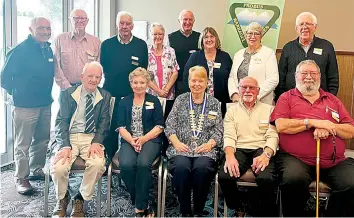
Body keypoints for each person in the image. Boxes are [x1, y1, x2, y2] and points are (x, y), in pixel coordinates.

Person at [270, 60, 354, 216]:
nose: (309, 77)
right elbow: (281, 125)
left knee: (352, 182)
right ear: (296, 76)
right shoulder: (286, 98)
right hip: (296, 159)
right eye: (304, 73)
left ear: (320, 77)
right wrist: (312, 123)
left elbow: (350, 130)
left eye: (313, 73)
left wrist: (329, 127)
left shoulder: (332, 100)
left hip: (333, 160)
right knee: (293, 179)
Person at [50, 61, 111, 217]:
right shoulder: (68, 94)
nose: (93, 80)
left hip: (91, 138)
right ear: (82, 76)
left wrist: (96, 142)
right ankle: (63, 198)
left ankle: (80, 198)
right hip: (69, 136)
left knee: (98, 164)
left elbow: (105, 122)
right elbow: (61, 121)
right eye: (90, 76)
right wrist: (64, 145)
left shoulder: (104, 96)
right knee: (59, 167)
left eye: (97, 77)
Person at [1, 17, 54, 194]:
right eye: (41, 28)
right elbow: (4, 78)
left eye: (48, 28)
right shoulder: (19, 50)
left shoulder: (47, 49)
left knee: (42, 139)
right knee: (23, 143)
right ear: (31, 29)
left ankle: (37, 169)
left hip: (45, 103)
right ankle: (21, 177)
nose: (45, 32)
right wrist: (18, 94)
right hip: (25, 105)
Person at [165, 66, 223, 217]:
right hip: (181, 147)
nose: (196, 84)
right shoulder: (180, 100)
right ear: (188, 82)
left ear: (207, 83)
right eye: (193, 80)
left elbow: (219, 130)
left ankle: (198, 209)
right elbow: (169, 125)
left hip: (206, 149)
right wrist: (176, 142)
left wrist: (210, 144)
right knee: (181, 168)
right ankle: (185, 210)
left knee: (202, 169)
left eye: (200, 80)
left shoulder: (214, 103)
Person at [218, 77, 279, 217]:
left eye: (251, 87)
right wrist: (229, 155)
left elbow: (273, 135)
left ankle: (264, 211)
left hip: (261, 149)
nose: (247, 90)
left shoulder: (269, 110)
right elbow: (229, 135)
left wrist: (266, 155)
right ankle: (238, 206)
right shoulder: (231, 111)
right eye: (244, 87)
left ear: (258, 91)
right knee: (225, 176)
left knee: (267, 178)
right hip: (238, 148)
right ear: (238, 90)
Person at [117, 67, 164, 217]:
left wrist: (143, 139)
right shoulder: (124, 102)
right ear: (131, 84)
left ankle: (140, 207)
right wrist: (132, 141)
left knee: (143, 164)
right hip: (129, 140)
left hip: (150, 139)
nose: (138, 85)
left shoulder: (154, 100)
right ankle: (140, 199)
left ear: (147, 84)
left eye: (142, 82)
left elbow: (159, 127)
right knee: (126, 165)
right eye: (135, 82)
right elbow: (121, 127)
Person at [100, 11, 148, 159]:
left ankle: (130, 159)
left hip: (133, 95)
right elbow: (104, 68)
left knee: (132, 127)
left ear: (132, 26)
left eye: (128, 23)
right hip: (112, 93)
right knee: (111, 127)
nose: (124, 26)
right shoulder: (107, 44)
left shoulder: (141, 45)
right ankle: (109, 158)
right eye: (122, 23)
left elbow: (143, 70)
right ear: (117, 25)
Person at [275, 12, 339, 101]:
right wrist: (282, 98)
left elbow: (333, 77)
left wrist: (329, 99)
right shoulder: (288, 47)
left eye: (308, 24)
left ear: (315, 27)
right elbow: (281, 76)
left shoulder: (327, 46)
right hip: (292, 100)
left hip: (319, 101)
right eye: (301, 24)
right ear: (296, 28)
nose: (304, 27)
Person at [183, 27, 232, 117]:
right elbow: (186, 78)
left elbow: (231, 78)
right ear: (202, 40)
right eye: (206, 37)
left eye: (212, 36)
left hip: (220, 101)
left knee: (216, 125)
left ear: (216, 39)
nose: (209, 39)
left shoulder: (225, 57)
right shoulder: (195, 57)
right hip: (198, 100)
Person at [228, 22, 278, 105]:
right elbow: (232, 77)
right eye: (250, 33)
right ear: (245, 35)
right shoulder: (238, 54)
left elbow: (273, 79)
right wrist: (234, 94)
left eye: (257, 33)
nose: (253, 36)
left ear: (261, 36)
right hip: (239, 101)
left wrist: (254, 95)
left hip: (261, 101)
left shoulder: (268, 53)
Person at [54, 9, 101, 90]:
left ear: (87, 21)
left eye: (83, 18)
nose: (80, 21)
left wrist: (88, 86)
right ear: (70, 20)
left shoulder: (96, 42)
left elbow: (97, 68)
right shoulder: (60, 39)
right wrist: (68, 88)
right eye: (76, 18)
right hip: (66, 89)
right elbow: (56, 67)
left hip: (88, 89)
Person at [147, 22, 179, 120]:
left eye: (160, 34)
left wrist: (165, 90)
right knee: (151, 122)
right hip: (151, 96)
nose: (158, 37)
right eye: (155, 34)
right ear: (150, 35)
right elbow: (143, 75)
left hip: (168, 96)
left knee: (166, 122)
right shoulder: (146, 52)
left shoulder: (170, 51)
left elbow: (175, 71)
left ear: (164, 35)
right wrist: (158, 91)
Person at [168, 9, 200, 97]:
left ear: (194, 21)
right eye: (185, 19)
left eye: (190, 19)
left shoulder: (199, 37)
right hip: (177, 81)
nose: (188, 22)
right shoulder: (171, 38)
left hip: (195, 81)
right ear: (179, 21)